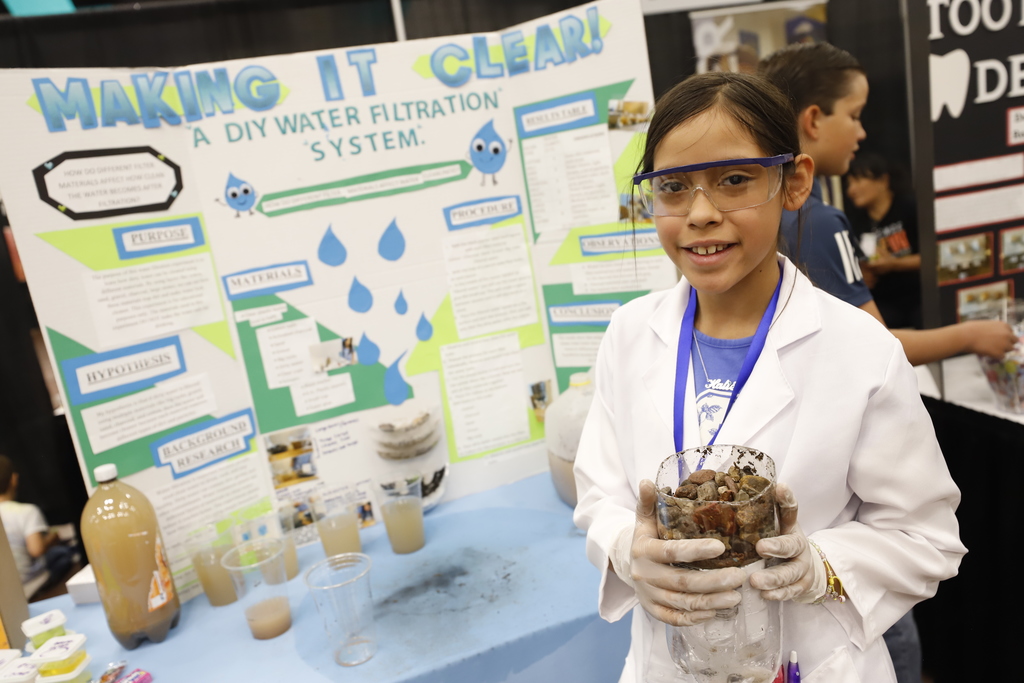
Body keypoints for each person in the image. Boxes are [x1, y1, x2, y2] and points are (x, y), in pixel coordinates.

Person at [572, 71, 965, 683]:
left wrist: (821, 566)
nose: (700, 214)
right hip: (667, 663)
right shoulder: (629, 334)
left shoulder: (860, 351)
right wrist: (628, 548)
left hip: (809, 663)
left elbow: (926, 535)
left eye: (733, 180)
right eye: (673, 187)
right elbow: (600, 494)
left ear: (794, 181)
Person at [758, 43, 1016, 365]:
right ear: (813, 120)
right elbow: (875, 346)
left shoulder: (767, 208)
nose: (861, 131)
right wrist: (971, 336)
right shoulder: (815, 220)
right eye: (854, 115)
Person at [846, 152, 921, 329]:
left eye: (858, 180)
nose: (851, 190)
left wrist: (894, 264)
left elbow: (934, 258)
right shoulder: (856, 222)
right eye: (849, 184)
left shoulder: (910, 209)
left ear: (883, 181)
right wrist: (863, 274)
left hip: (918, 298)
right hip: (883, 303)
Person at [0, 454, 73, 592]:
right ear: (14, 479)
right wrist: (53, 538)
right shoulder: (26, 511)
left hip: (6, 592)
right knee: (63, 553)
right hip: (31, 584)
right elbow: (36, 550)